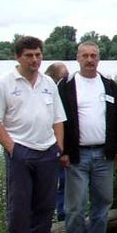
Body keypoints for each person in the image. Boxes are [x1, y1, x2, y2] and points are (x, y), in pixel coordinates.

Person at [0, 36, 67, 233]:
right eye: (29, 55)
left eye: (38, 54)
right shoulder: (4, 83)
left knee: (45, 201)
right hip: (20, 151)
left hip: (47, 150)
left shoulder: (48, 83)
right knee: (19, 204)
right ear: (17, 57)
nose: (35, 59)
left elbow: (58, 118)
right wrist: (12, 148)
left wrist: (58, 147)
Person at [58, 41, 117, 233]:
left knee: (103, 202)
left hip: (104, 155)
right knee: (76, 206)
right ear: (77, 58)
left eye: (93, 56)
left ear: (98, 58)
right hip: (77, 154)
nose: (89, 60)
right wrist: (63, 151)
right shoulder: (66, 86)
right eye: (85, 55)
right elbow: (59, 121)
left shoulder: (109, 85)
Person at [45, 62, 70, 222]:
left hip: (61, 145)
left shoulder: (63, 92)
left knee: (64, 180)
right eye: (64, 75)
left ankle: (62, 213)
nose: (67, 78)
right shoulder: (50, 92)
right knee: (53, 182)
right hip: (48, 144)